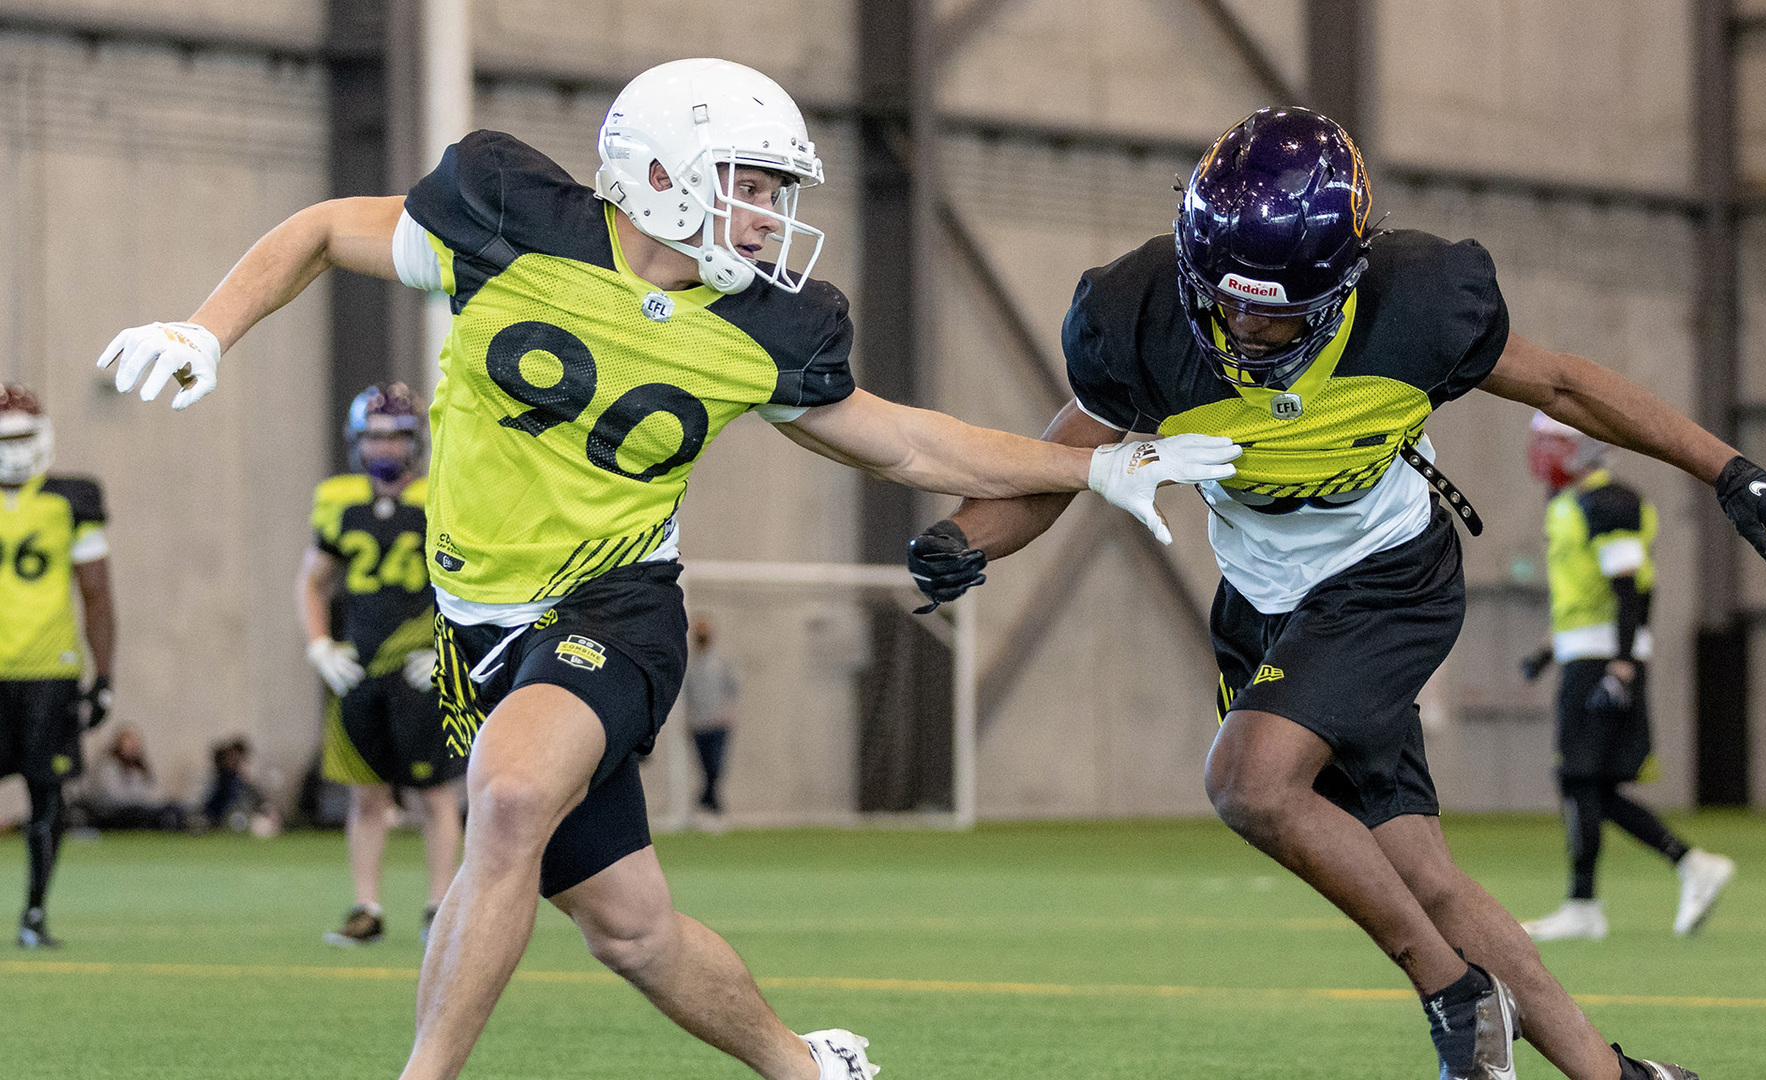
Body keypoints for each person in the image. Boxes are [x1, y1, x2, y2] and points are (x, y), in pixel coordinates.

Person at [94, 56, 1237, 1080]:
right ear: (655, 171)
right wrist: (206, 329)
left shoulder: (769, 329)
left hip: (616, 606)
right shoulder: (509, 219)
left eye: (779, 190)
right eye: (751, 182)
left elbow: (902, 439)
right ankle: (806, 1068)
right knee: (630, 928)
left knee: (505, 800)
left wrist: (1092, 467)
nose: (771, 214)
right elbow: (321, 228)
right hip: (475, 630)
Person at [906, 108, 1766, 1080]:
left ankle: (1455, 994)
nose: (1241, 330)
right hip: (1266, 601)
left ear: (1345, 286)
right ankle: (1617, 1077)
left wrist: (1727, 469)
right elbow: (1060, 463)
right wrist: (965, 536)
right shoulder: (1137, 318)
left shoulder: (1418, 303)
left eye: (1273, 313)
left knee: (1249, 781)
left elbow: (1562, 385)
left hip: (1390, 576)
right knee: (1419, 870)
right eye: (1222, 302)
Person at [1517, 413, 1734, 942]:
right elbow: (1585, 592)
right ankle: (1686, 866)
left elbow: (1630, 587)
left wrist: (1621, 663)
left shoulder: (1610, 501)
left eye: (1554, 442)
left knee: (1578, 778)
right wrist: (1550, 651)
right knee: (1593, 786)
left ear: (1584, 445)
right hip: (1586, 653)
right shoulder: (1569, 503)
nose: (1544, 453)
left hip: (1603, 659)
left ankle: (1587, 903)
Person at [300, 383, 464, 947]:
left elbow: (470, 580)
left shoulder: (441, 494)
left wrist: (453, 649)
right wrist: (320, 644)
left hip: (424, 663)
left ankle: (439, 908)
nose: (384, 446)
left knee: (434, 794)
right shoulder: (338, 498)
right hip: (362, 663)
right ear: (356, 440)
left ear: (415, 439)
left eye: (394, 435)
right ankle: (366, 907)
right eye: (374, 435)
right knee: (367, 794)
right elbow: (313, 581)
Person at [0, 384, 115, 949]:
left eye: (22, 437)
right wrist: (105, 678)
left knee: (48, 795)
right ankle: (34, 916)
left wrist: (105, 673)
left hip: (49, 667)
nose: (15, 451)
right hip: (41, 673)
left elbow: (96, 592)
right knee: (46, 797)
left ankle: (35, 913)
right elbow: (97, 594)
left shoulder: (72, 498)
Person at [74, 725, 187, 831]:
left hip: (141, 807)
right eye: (128, 744)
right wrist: (138, 798)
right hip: (116, 811)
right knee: (138, 813)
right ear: (119, 745)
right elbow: (114, 795)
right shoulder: (110, 766)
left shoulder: (140, 768)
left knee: (174, 808)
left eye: (135, 744)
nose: (132, 748)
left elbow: (152, 790)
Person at [683, 617, 739, 818]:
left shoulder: (720, 663)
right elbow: (687, 697)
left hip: (718, 723)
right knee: (705, 767)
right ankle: (710, 804)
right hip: (699, 724)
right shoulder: (691, 667)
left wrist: (729, 713)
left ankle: (708, 802)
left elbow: (733, 689)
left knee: (716, 766)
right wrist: (688, 721)